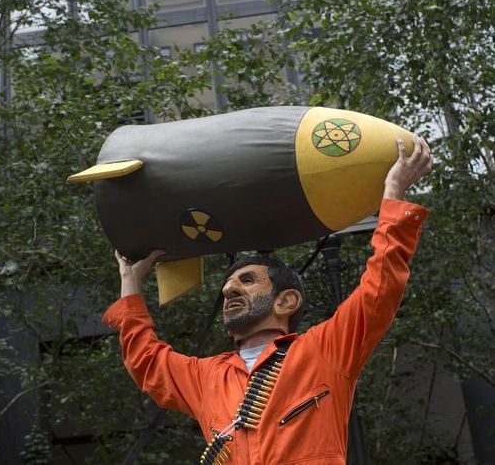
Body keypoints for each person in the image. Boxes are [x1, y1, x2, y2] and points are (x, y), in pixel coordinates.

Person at [103, 135, 433, 464]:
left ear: (286, 302)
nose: (228, 290)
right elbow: (146, 361)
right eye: (228, 284)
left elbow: (380, 287)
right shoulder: (206, 378)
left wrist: (392, 194)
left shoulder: (323, 350)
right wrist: (130, 282)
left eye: (247, 280)